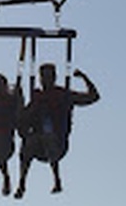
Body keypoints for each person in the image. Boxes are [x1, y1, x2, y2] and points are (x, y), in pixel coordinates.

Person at [14, 64, 99, 198]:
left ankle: (57, 180)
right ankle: (22, 183)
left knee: (47, 137)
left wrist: (84, 77)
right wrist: (20, 101)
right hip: (38, 143)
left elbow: (93, 97)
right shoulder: (37, 98)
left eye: (49, 77)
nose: (46, 80)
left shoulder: (63, 95)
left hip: (57, 142)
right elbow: (24, 118)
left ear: (54, 77)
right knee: (29, 143)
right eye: (43, 77)